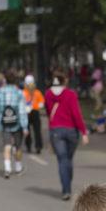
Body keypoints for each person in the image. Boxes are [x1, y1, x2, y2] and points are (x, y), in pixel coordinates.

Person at [43, 71, 89, 200]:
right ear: (64, 82)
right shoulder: (70, 94)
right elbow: (76, 114)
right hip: (71, 131)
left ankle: (66, 189)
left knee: (62, 160)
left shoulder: (48, 94)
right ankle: (68, 183)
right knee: (68, 159)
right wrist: (84, 132)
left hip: (56, 131)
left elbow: (48, 112)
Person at [0, 71, 29, 178]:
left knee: (7, 145)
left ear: (5, 80)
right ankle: (18, 167)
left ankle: (7, 168)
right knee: (18, 146)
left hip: (5, 123)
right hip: (17, 123)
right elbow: (22, 111)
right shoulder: (19, 93)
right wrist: (25, 126)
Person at [22, 74, 46, 154]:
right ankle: (38, 146)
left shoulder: (23, 92)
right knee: (37, 130)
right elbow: (42, 103)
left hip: (26, 113)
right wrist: (36, 105)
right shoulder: (37, 92)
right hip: (35, 112)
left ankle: (28, 145)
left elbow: (21, 103)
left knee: (27, 130)